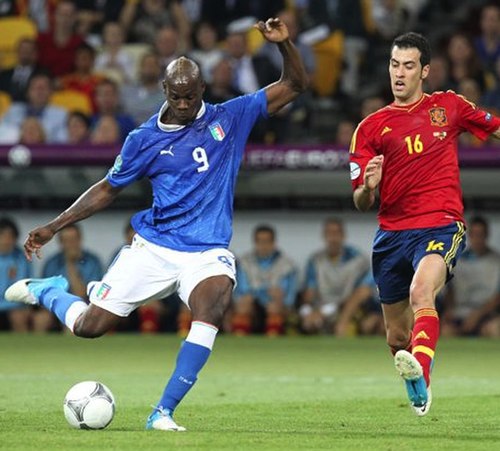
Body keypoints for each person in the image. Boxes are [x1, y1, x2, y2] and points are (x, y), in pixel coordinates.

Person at [6, 17, 307, 431]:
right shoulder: (143, 139)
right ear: (164, 91)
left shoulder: (230, 117)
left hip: (207, 250)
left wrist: (285, 45)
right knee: (88, 327)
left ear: (201, 90)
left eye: (190, 96)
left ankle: (162, 411)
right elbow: (107, 188)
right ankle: (49, 291)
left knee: (213, 306)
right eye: (177, 97)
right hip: (155, 247)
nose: (184, 105)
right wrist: (55, 225)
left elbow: (294, 85)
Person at [349, 32, 500, 416]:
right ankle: (412, 366)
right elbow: (361, 202)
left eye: (409, 65)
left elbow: (495, 127)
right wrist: (369, 186)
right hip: (391, 234)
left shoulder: (448, 107)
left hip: (441, 225)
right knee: (397, 338)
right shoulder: (369, 128)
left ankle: (423, 379)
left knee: (422, 293)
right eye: (394, 65)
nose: (399, 73)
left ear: (425, 71)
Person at [299, 218, 369, 335]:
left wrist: (341, 319)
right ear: (324, 236)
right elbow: (309, 292)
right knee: (307, 324)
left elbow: (364, 291)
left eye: (336, 233)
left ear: (343, 235)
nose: (333, 238)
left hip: (347, 309)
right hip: (321, 308)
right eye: (329, 234)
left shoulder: (358, 260)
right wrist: (309, 312)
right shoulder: (315, 260)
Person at [232, 225, 298, 336]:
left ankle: (273, 340)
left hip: (277, 306)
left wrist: (282, 301)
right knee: (243, 306)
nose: (263, 245)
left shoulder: (287, 264)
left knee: (275, 307)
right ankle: (240, 342)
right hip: (252, 305)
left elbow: (289, 296)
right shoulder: (244, 262)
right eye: (260, 241)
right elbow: (240, 291)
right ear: (255, 242)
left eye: (267, 241)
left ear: (274, 242)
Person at [442, 216, 500, 337]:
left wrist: (477, 315)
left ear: (486, 235)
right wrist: (449, 310)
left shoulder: (496, 262)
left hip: (486, 314)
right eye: (474, 234)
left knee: (495, 328)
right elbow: (450, 290)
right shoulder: (458, 261)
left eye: (481, 234)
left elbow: (497, 297)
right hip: (460, 312)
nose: (477, 239)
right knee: (445, 331)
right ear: (469, 235)